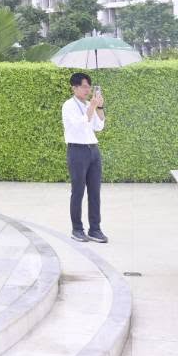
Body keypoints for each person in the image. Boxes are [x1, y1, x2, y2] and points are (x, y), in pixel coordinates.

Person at [63, 72, 108, 244]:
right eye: (84, 86)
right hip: (77, 150)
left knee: (95, 192)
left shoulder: (90, 104)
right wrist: (92, 108)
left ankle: (95, 229)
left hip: (93, 150)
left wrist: (99, 107)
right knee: (78, 191)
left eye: (89, 86)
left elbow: (98, 126)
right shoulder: (68, 106)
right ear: (74, 88)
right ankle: (77, 229)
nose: (87, 90)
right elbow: (80, 124)